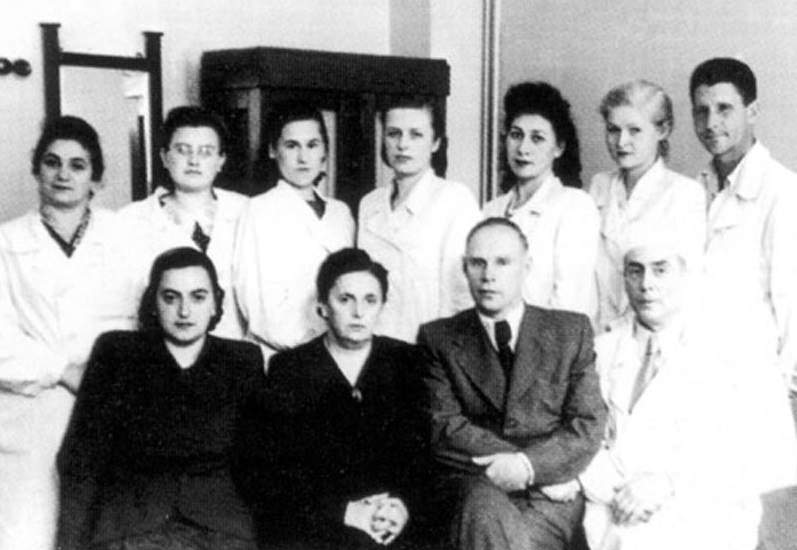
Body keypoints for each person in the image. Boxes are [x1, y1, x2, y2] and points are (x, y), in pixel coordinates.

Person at [578, 239, 788, 550]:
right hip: (613, 511)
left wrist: (669, 482)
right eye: (635, 271)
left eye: (660, 270)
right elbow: (579, 440)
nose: (646, 284)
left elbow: (769, 452)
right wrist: (616, 491)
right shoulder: (600, 351)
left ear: (686, 275)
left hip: (703, 515)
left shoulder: (738, 349)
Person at [418, 217, 606, 550]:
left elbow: (587, 423)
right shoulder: (439, 338)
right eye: (478, 263)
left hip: (548, 499)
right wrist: (523, 465)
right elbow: (444, 427)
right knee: (484, 513)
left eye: (502, 262)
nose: (488, 275)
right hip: (476, 484)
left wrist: (530, 467)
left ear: (526, 266)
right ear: (464, 268)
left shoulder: (570, 331)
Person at [58, 247, 264, 550]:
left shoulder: (242, 360)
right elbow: (81, 460)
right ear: (153, 302)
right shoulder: (116, 353)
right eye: (170, 297)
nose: (184, 311)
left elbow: (260, 464)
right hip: (131, 528)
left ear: (215, 304)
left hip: (221, 530)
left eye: (198, 297)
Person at [0, 115, 139, 550]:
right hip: (32, 407)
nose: (63, 174)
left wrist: (106, 374)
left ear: (96, 178)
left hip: (110, 400)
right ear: (36, 169)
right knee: (29, 531)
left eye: (78, 165)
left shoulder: (125, 236)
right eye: (52, 162)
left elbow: (144, 316)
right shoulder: (6, 241)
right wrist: (63, 369)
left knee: (102, 529)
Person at [236, 248, 430, 549]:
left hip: (392, 520)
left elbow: (423, 456)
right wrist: (344, 511)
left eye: (370, 300)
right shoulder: (290, 369)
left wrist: (402, 506)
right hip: (320, 522)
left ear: (382, 306)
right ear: (323, 307)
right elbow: (270, 471)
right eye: (345, 299)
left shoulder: (407, 362)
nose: (358, 312)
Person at [690, 57, 797, 420]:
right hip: (698, 375)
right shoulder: (693, 189)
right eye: (701, 111)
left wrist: (786, 392)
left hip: (759, 383)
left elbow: (792, 302)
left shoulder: (783, 191)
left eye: (724, 109)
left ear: (752, 111)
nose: (711, 123)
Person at [234, 100, 354, 359]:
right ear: (272, 150)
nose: (303, 157)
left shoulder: (340, 213)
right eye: (291, 146)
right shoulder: (258, 210)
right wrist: (308, 350)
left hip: (337, 352)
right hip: (281, 354)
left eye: (312, 145)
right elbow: (254, 300)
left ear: (325, 151)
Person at [358, 95, 481, 342]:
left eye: (416, 135)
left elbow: (463, 294)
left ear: (435, 142)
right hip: (373, 346)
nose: (402, 145)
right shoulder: (369, 204)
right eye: (394, 134)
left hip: (430, 349)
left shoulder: (454, 199)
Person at [119, 106, 248, 339]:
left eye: (206, 152)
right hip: (159, 350)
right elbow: (127, 305)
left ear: (221, 160)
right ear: (165, 157)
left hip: (235, 349)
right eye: (183, 150)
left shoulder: (246, 211)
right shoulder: (130, 220)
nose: (193, 161)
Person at [589, 80, 706, 331]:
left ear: (662, 130)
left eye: (635, 130)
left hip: (655, 335)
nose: (621, 142)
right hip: (598, 332)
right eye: (613, 130)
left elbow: (688, 285)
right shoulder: (599, 186)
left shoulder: (684, 193)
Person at [483, 82, 599, 320]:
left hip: (550, 339)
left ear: (559, 148)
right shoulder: (491, 210)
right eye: (516, 135)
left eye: (537, 138)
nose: (523, 148)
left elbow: (569, 306)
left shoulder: (574, 207)